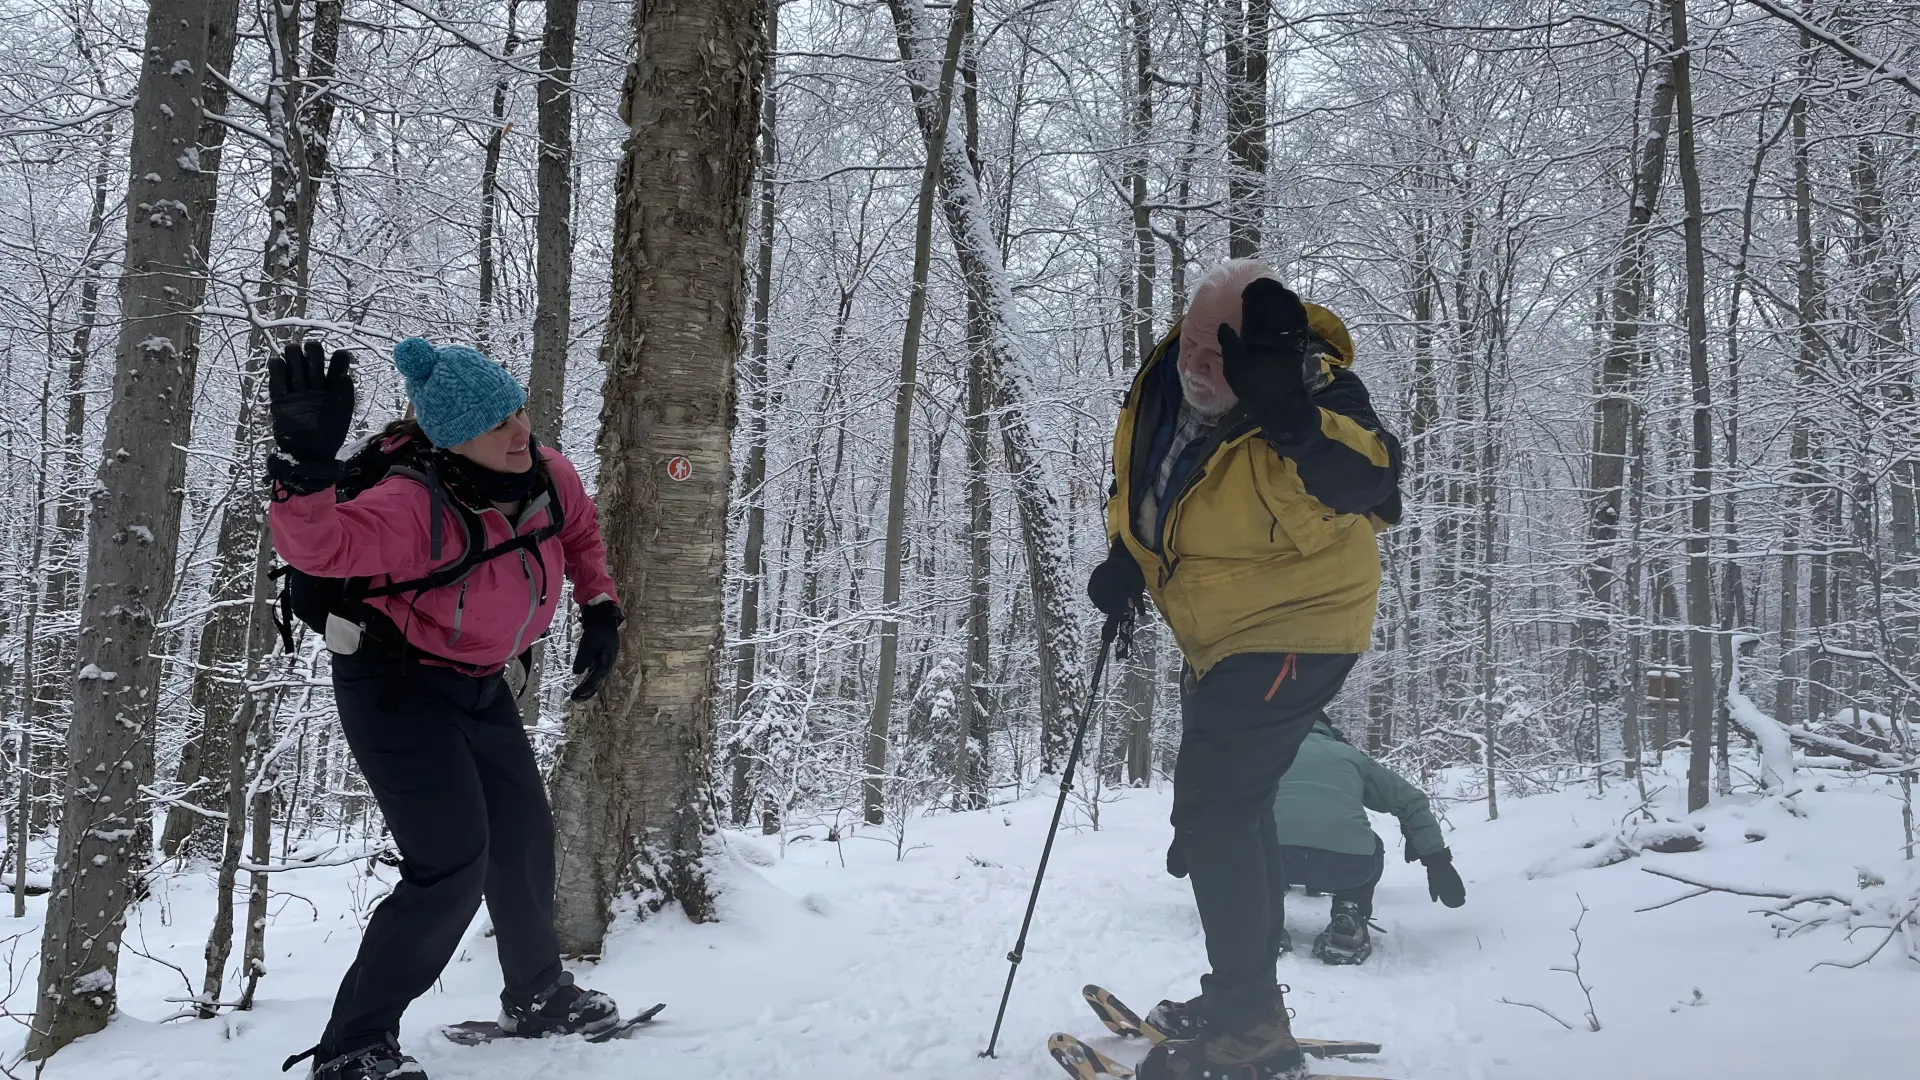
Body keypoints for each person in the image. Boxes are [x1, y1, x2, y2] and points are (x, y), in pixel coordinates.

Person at [268, 338, 628, 1080]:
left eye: (518, 410)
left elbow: (582, 533)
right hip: (393, 684)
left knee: (524, 837)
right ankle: (354, 1046)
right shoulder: (410, 504)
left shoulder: (547, 473)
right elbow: (320, 549)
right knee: (449, 865)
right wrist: (306, 472)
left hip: (479, 681)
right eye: (498, 424)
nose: (520, 431)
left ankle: (538, 996)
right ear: (455, 438)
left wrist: (601, 610)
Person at [1087, 259, 1402, 1080]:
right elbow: (1149, 475)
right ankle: (1245, 994)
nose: (1197, 364)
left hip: (1301, 626)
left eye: (1218, 356)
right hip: (1221, 634)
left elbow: (1373, 476)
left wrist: (1288, 412)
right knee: (1240, 806)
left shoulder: (1315, 392)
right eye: (1192, 340)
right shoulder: (1166, 371)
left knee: (1214, 813)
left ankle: (1250, 1031)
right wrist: (1128, 555)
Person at [1268, 720, 1466, 966]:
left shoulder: (1265, 750)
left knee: (1255, 843)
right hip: (1346, 865)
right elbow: (1411, 800)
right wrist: (1437, 861)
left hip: (1274, 857)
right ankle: (1349, 911)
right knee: (1373, 844)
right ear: (1330, 731)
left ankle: (1261, 916)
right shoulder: (1350, 756)